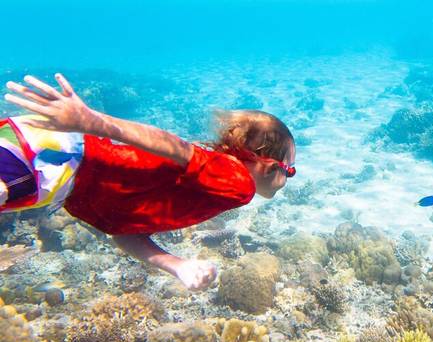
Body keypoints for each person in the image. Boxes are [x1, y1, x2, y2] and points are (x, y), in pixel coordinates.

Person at [2, 73, 296, 290]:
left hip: (50, 155)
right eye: (290, 170)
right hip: (56, 160)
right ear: (269, 166)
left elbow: (123, 232)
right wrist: (92, 121)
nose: (289, 176)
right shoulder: (238, 183)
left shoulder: (204, 182)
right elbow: (175, 146)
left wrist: (176, 265)